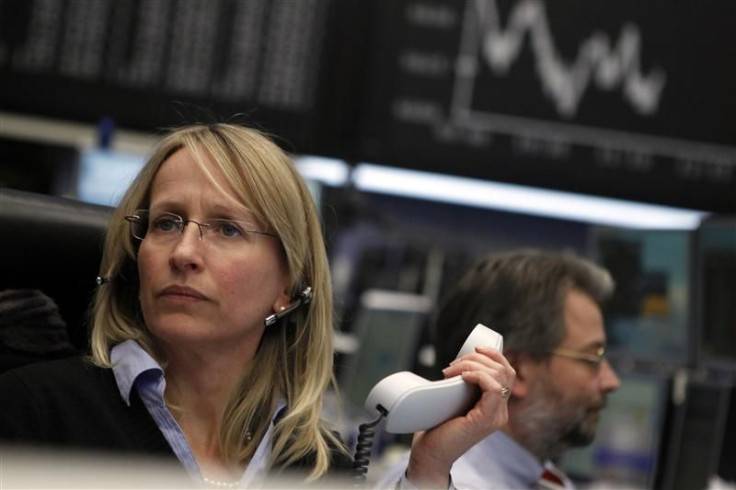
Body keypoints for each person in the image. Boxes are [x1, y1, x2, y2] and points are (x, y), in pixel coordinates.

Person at [0, 123, 515, 489]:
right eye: (166, 223)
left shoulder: (318, 466)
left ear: (288, 287)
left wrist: (428, 469)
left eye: (226, 229)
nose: (183, 254)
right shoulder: (31, 412)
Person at [377, 249, 621, 489]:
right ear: (515, 368)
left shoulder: (546, 480)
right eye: (592, 357)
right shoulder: (430, 480)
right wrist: (429, 469)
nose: (611, 381)